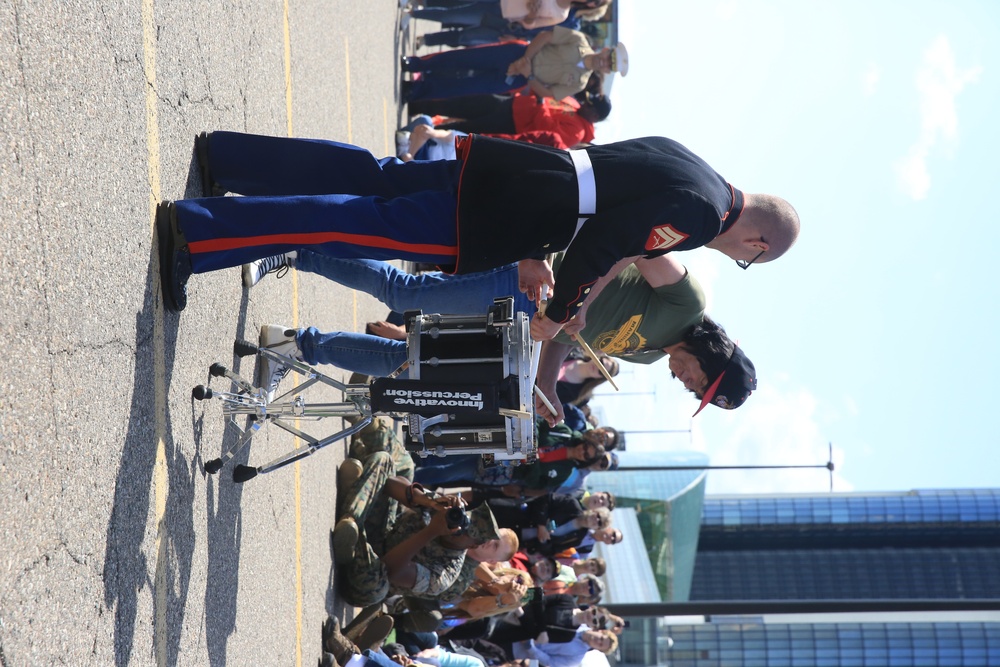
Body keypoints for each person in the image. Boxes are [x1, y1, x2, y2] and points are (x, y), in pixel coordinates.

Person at [159, 131, 800, 340]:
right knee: (354, 223)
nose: (734, 257)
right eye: (749, 262)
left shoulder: (698, 168)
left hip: (516, 175)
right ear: (758, 244)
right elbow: (610, 238)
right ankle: (196, 234)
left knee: (375, 179)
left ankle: (230, 159)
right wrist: (559, 311)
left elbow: (596, 186)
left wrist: (534, 251)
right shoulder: (703, 216)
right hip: (510, 212)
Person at [332, 443, 516, 607]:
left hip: (370, 569)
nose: (457, 528)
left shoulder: (447, 573)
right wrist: (425, 500)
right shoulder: (446, 511)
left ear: (471, 546)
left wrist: (431, 531)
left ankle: (353, 500)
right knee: (385, 461)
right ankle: (351, 521)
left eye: (464, 532)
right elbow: (389, 484)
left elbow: (390, 569)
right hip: (378, 533)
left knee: (374, 589)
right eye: (463, 521)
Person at [400, 27, 626, 102]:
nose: (604, 61)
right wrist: (524, 60)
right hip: (518, 53)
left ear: (606, 71)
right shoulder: (578, 39)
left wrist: (527, 75)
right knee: (463, 57)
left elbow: (547, 93)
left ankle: (416, 90)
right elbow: (546, 37)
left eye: (609, 65)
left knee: (465, 87)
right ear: (605, 50)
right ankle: (416, 64)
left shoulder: (580, 83)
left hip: (520, 78)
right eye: (608, 57)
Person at [512, 627, 616, 666]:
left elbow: (550, 662)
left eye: (600, 645)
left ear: (598, 650)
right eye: (601, 638)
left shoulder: (576, 658)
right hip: (520, 627)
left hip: (519, 648)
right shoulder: (579, 622)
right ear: (601, 631)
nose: (598, 641)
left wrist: (529, 646)